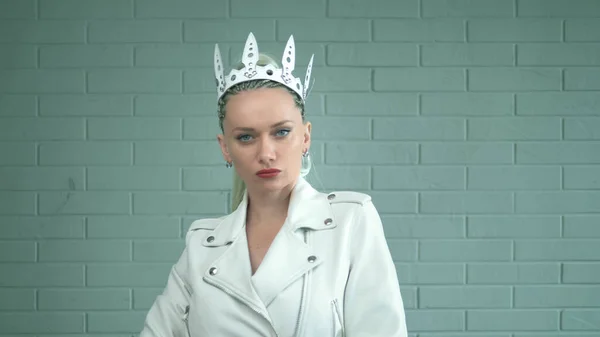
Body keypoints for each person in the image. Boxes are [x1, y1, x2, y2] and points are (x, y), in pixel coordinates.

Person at [140, 32, 408, 337]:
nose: (266, 153)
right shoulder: (202, 245)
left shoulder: (350, 222)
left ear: (305, 137)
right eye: (245, 137)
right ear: (225, 147)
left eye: (281, 132)